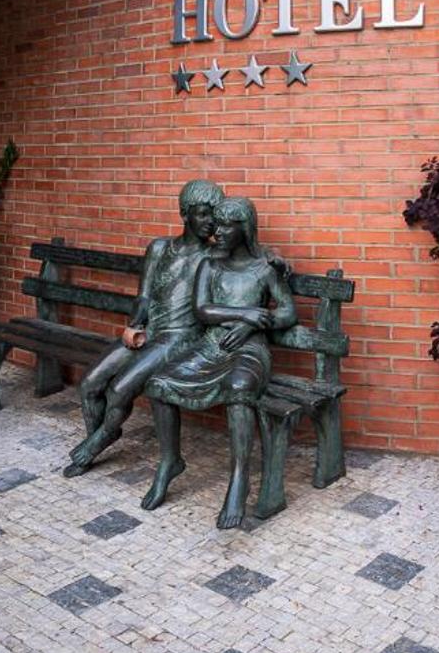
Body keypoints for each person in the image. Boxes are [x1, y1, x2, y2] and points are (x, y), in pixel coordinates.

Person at [141, 193, 296, 528]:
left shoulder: (264, 269)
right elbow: (202, 310)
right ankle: (169, 461)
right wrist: (246, 313)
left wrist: (251, 325)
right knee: (158, 383)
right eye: (218, 224)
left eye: (227, 225)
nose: (218, 231)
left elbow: (287, 311)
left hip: (250, 349)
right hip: (212, 346)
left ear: (245, 228)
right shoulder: (210, 265)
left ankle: (239, 478)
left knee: (239, 386)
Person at [63, 178, 223, 477]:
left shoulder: (216, 256)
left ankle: (97, 443)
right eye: (203, 214)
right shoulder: (160, 248)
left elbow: (252, 256)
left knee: (119, 389)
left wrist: (275, 260)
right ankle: (101, 434)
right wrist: (135, 325)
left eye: (215, 215)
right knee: (89, 384)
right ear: (185, 213)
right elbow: (144, 296)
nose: (210, 221)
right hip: (149, 332)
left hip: (181, 338)